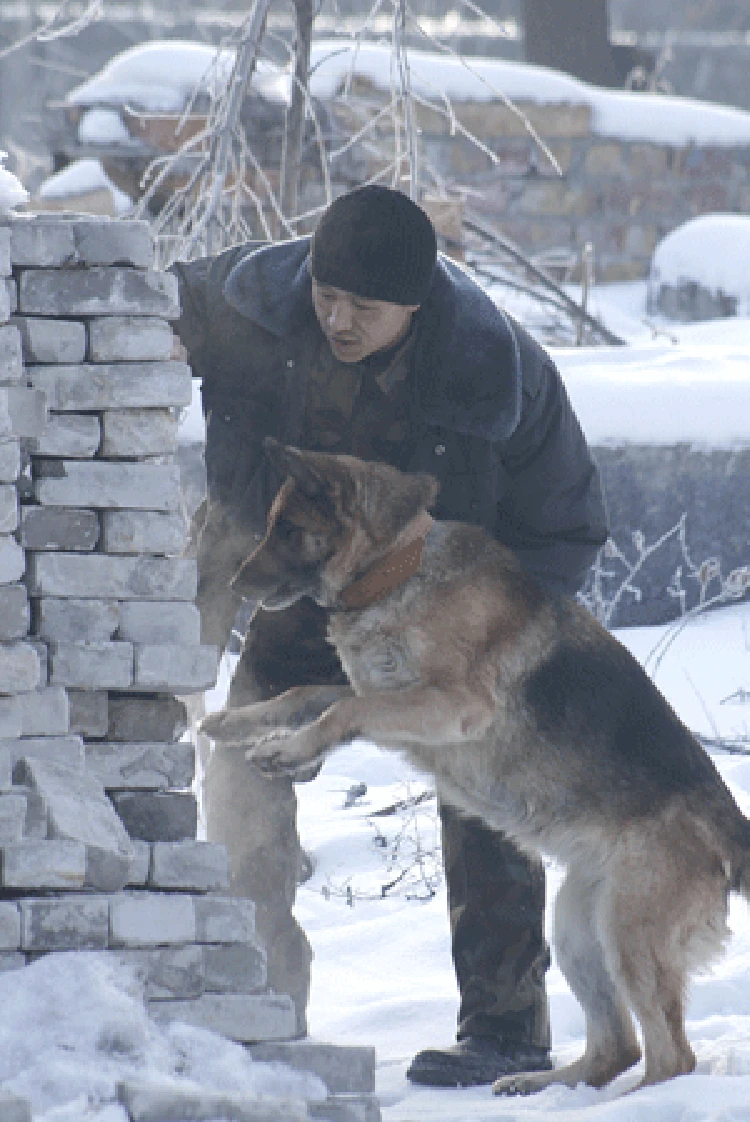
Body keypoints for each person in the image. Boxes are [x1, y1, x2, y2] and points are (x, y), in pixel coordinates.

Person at [171, 185, 608, 1084]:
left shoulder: (495, 369)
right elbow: (149, 295)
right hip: (312, 586)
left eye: (361, 309)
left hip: (452, 607)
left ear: (414, 302)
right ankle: (257, 996)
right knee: (246, 752)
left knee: (482, 771)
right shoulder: (257, 295)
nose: (335, 318)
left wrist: (499, 642)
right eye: (326, 296)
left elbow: (566, 522)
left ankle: (503, 1026)